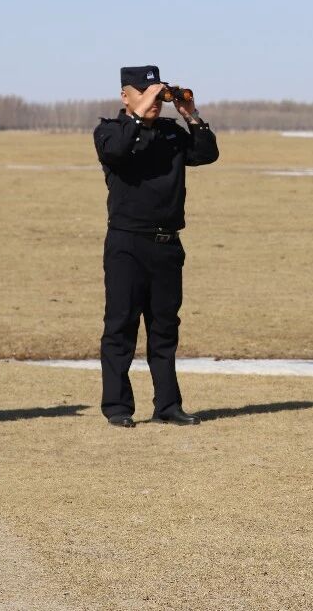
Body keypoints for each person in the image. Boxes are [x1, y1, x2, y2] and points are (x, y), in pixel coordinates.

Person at [93, 65, 219, 428]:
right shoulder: (109, 131)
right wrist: (138, 115)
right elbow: (117, 152)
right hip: (127, 244)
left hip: (167, 245)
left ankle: (168, 405)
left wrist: (190, 115)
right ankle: (117, 407)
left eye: (156, 95)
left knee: (165, 329)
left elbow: (207, 154)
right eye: (144, 93)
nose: (153, 102)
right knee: (120, 326)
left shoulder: (171, 133)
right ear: (125, 96)